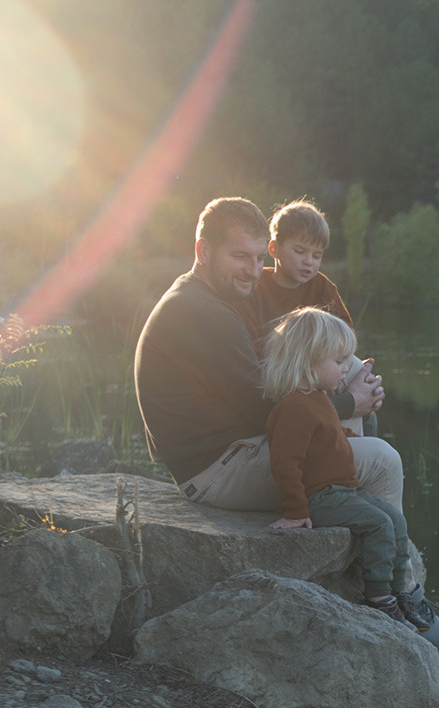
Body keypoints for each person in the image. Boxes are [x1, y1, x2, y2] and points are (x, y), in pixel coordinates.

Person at [133, 196, 395, 511]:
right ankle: (392, 559)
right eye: (241, 257)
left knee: (350, 385)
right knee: (382, 461)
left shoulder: (203, 298)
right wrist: (350, 402)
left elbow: (264, 395)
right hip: (218, 470)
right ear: (203, 251)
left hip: (233, 452)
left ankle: (358, 532)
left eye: (259, 259)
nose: (254, 271)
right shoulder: (201, 312)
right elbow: (265, 408)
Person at [261, 308, 430, 631]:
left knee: (395, 520)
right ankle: (379, 600)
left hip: (343, 490)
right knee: (380, 523)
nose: (345, 370)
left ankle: (399, 592)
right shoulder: (293, 407)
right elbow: (285, 463)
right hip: (322, 497)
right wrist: (296, 511)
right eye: (338, 362)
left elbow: (330, 436)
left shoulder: (319, 399)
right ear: (309, 361)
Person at [244, 199, 405, 509]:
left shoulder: (322, 288)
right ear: (274, 248)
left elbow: (344, 337)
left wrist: (354, 371)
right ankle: (346, 455)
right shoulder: (257, 286)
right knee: (345, 373)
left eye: (317, 255)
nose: (309, 262)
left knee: (357, 367)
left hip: (322, 369)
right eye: (300, 252)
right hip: (284, 372)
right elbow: (254, 345)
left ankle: (359, 444)